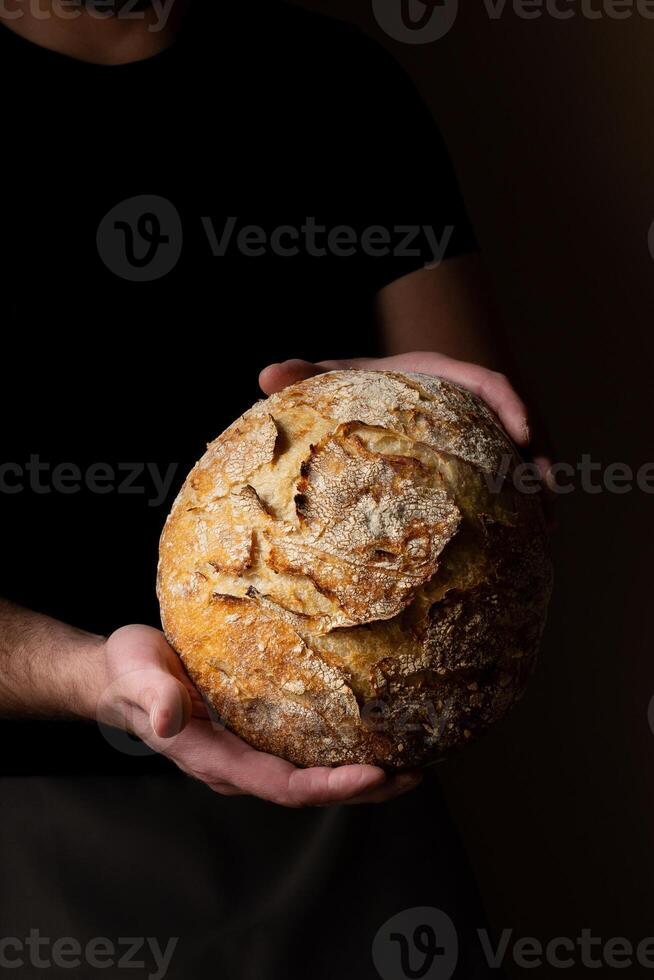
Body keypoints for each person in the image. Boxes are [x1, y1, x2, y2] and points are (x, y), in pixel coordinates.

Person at [0, 1, 545, 976]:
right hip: (38, 841)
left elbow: (499, 475)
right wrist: (84, 673)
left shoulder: (335, 82)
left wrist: (392, 401)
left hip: (355, 805)